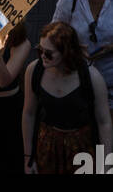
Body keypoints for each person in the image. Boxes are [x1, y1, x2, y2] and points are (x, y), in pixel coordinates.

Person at [22, 21, 112, 174]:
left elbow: (104, 122)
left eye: (49, 53)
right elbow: (28, 113)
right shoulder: (34, 71)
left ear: (66, 53)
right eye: (40, 50)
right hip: (47, 146)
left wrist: (106, 165)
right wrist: (28, 157)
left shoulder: (91, 78)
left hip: (81, 149)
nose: (43, 56)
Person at [52, 0, 113, 107]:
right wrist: (73, 46)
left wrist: (111, 48)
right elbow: (54, 32)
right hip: (76, 76)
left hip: (109, 79)